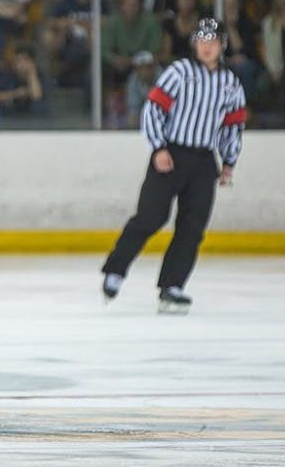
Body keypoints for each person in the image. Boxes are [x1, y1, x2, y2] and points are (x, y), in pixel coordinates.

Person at [101, 18, 246, 315]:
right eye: (202, 41)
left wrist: (229, 161)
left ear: (222, 46)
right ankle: (115, 270)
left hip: (204, 160)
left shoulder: (230, 84)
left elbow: (233, 126)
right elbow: (153, 109)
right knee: (150, 217)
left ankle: (172, 286)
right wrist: (158, 147)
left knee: (192, 227)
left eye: (212, 41)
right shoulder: (179, 73)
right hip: (171, 154)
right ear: (194, 44)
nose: (207, 47)